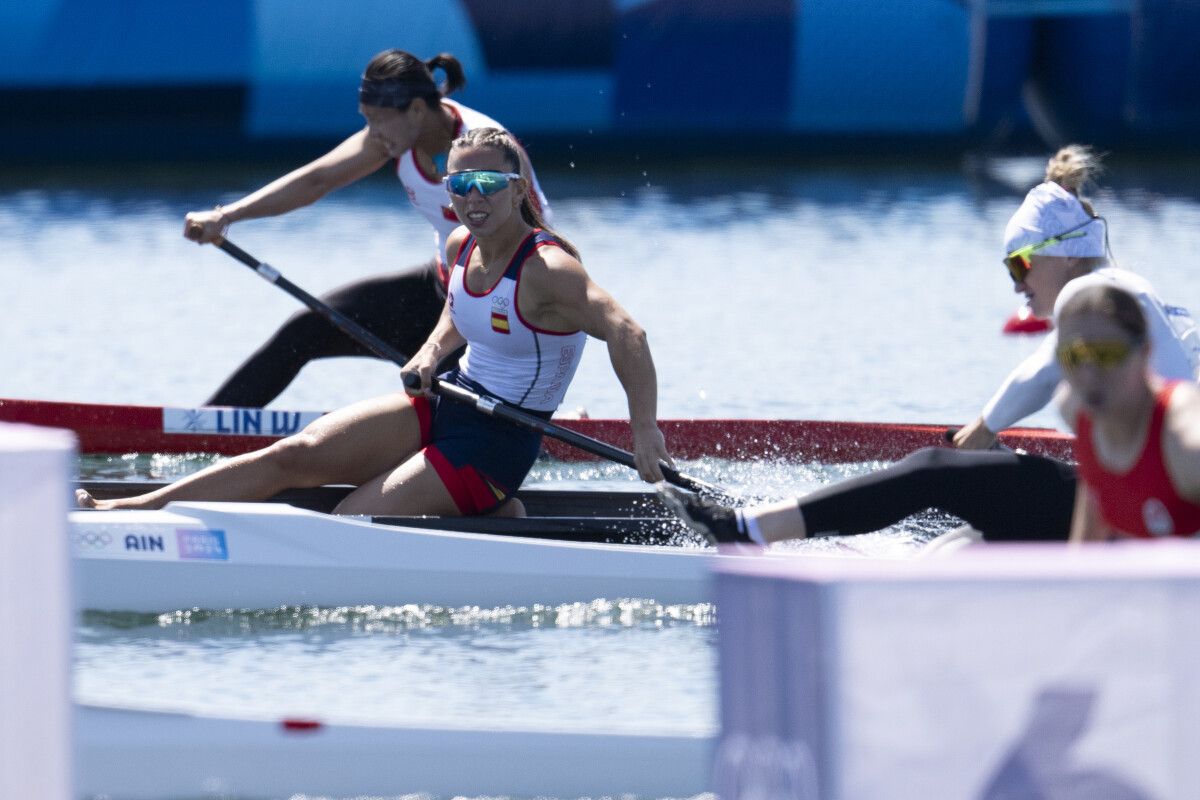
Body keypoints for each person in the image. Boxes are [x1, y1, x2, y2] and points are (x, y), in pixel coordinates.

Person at [79, 128, 672, 516]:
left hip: (497, 442)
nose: (473, 196)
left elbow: (628, 332)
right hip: (449, 400)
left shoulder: (549, 270)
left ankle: (493, 508)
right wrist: (428, 355)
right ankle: (135, 511)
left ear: (518, 189)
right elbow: (458, 314)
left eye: (489, 183)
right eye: (460, 184)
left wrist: (643, 429)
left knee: (348, 520)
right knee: (293, 456)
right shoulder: (463, 242)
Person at [662, 145, 1200, 546]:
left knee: (932, 470)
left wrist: (985, 428)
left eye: (1021, 263)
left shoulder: (1093, 292)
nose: (1016, 283)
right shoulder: (1140, 305)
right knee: (971, 476)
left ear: (1064, 252)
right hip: (1136, 501)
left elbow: (1041, 371)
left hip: (1149, 508)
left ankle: (747, 529)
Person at [185, 48, 551, 407]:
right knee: (304, 330)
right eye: (366, 119)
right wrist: (226, 216)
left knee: (447, 408)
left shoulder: (487, 150)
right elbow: (317, 180)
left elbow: (537, 237)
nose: (372, 133)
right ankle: (198, 428)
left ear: (417, 110)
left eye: (378, 119)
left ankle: (538, 417)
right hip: (443, 290)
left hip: (506, 309)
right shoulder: (392, 138)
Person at [1058, 285, 1200, 541]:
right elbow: (1096, 489)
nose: (1089, 375)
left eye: (1108, 355)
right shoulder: (1073, 407)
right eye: (1074, 357)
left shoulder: (1185, 441)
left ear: (1145, 353)